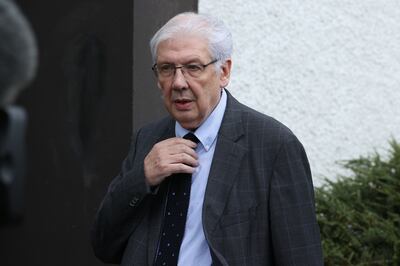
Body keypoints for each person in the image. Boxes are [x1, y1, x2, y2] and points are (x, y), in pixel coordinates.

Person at [92, 12, 323, 265]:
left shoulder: (273, 145)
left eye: (193, 67)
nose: (179, 82)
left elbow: (301, 256)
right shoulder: (147, 139)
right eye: (167, 68)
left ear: (223, 71)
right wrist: (142, 178)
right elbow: (104, 244)